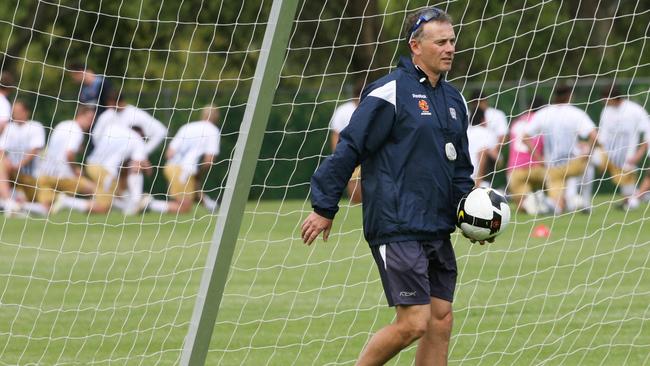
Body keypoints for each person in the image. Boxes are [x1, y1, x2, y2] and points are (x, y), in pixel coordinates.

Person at [301, 7, 476, 365]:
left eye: (452, 41)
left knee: (440, 318)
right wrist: (324, 206)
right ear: (415, 45)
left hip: (436, 225)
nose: (449, 48)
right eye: (440, 41)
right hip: (397, 224)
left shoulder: (454, 99)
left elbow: (459, 166)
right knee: (414, 322)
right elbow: (350, 146)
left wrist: (470, 214)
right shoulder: (389, 91)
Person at [522, 85, 599, 214]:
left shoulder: (544, 113)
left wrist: (539, 158)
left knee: (557, 206)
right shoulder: (575, 113)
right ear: (569, 96)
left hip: (553, 166)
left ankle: (552, 202)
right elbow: (594, 136)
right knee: (590, 163)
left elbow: (525, 137)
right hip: (573, 164)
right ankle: (583, 202)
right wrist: (588, 153)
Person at [52, 122, 149, 214]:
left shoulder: (114, 128)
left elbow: (96, 138)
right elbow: (136, 167)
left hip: (91, 165)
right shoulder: (138, 140)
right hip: (105, 171)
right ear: (141, 134)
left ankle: (135, 205)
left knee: (115, 195)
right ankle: (67, 202)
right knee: (104, 207)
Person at [145, 105, 221, 214]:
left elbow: (169, 153)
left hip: (170, 167)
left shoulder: (187, 127)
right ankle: (149, 204)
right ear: (217, 117)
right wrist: (198, 173)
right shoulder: (213, 131)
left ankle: (212, 207)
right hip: (183, 170)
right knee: (184, 208)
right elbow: (209, 160)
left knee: (194, 189)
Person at [594, 85, 650, 210]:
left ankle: (632, 199)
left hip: (627, 156)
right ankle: (581, 201)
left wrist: (638, 154)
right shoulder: (606, 111)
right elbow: (602, 136)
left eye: (605, 99)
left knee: (629, 196)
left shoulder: (634, 110)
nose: (603, 102)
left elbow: (647, 132)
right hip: (606, 153)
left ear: (612, 98)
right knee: (587, 160)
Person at [35, 106, 96, 211]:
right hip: (63, 176)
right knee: (95, 191)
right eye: (89, 119)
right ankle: (66, 202)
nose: (90, 124)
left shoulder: (62, 124)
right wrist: (76, 170)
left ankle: (62, 201)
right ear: (80, 115)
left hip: (45, 174)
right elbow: (69, 154)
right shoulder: (77, 130)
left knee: (47, 208)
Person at [506, 97, 548, 214]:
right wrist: (541, 160)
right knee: (557, 180)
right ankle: (545, 200)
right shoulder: (540, 122)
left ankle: (530, 200)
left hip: (515, 170)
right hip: (537, 169)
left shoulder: (516, 123)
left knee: (521, 207)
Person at [0, 100, 46, 205]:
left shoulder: (36, 126)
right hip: (11, 173)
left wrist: (18, 165)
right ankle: (9, 202)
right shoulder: (9, 128)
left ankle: (11, 202)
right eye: (14, 112)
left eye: (19, 111)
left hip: (31, 176)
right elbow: (1, 149)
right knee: (1, 164)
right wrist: (7, 161)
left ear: (26, 112)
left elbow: (35, 150)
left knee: (38, 202)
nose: (16, 115)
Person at [330, 81, 364, 204]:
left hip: (369, 153)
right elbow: (336, 133)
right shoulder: (344, 110)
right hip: (351, 154)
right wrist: (337, 155)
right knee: (354, 190)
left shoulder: (374, 107)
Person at [466, 105, 498, 187]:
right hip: (480, 181)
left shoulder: (465, 133)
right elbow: (496, 158)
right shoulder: (488, 133)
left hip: (462, 177)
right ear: (483, 119)